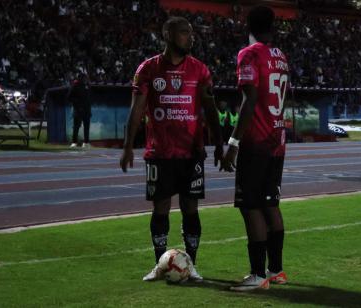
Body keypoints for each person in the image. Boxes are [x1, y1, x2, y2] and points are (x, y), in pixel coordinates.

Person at [120, 16, 223, 282]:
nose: (191, 37)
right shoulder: (147, 70)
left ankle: (192, 264)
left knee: (191, 208)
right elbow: (137, 109)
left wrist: (220, 144)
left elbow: (210, 110)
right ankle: (160, 264)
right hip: (160, 153)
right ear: (167, 34)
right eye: (184, 32)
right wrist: (128, 145)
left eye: (191, 32)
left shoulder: (200, 70)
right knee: (160, 209)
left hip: (191, 153)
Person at [221, 6, 289, 291]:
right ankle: (276, 270)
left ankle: (258, 275)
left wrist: (233, 143)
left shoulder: (249, 54)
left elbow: (249, 100)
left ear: (247, 24)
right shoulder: (281, 56)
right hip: (278, 141)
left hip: (257, 142)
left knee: (250, 207)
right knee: (270, 203)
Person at [67, 73, 92, 148]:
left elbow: (89, 97)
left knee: (87, 126)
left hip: (87, 110)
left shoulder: (87, 86)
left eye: (86, 78)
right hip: (78, 110)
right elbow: (69, 97)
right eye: (84, 78)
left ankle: (86, 142)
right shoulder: (75, 85)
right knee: (76, 127)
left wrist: (89, 108)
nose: (85, 79)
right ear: (80, 78)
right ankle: (74, 142)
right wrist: (77, 103)